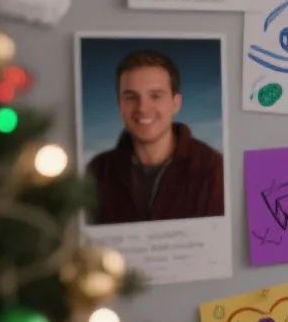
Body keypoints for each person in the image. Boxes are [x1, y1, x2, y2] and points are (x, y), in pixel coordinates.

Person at [86, 49, 225, 225]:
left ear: (176, 103)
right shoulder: (97, 171)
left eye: (155, 96)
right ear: (119, 104)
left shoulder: (213, 169)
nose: (142, 108)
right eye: (131, 97)